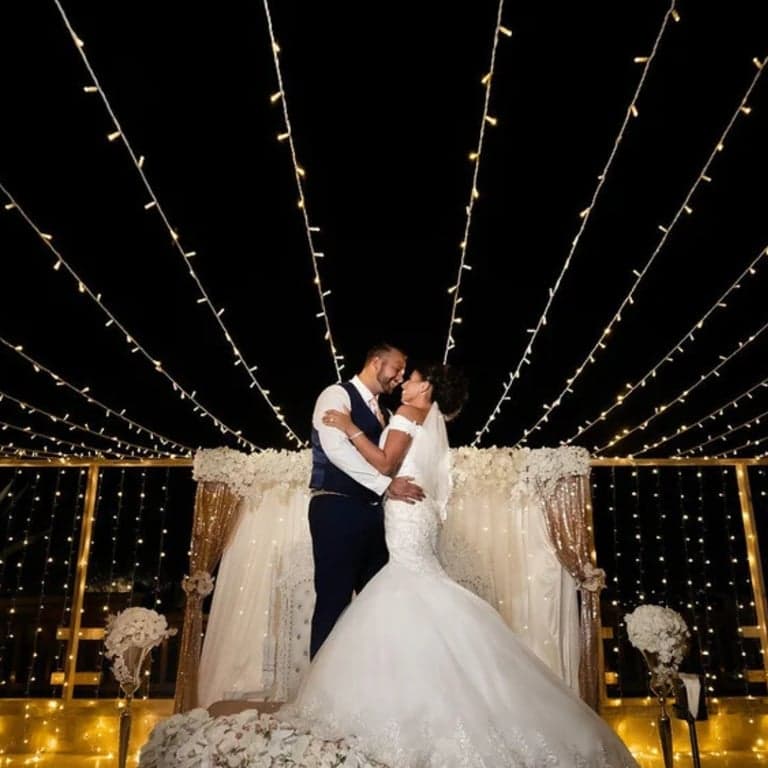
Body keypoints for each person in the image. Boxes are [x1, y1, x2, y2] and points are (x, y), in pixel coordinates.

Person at [278, 362, 641, 768]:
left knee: (406, 589)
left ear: (427, 388)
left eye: (411, 378)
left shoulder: (406, 414)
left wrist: (348, 427)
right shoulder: (429, 420)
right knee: (416, 592)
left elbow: (385, 464)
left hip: (405, 511)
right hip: (420, 512)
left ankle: (415, 698)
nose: (404, 383)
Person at [308, 342, 425, 660]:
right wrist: (385, 485)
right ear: (376, 362)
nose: (399, 377)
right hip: (337, 508)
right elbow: (336, 451)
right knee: (334, 599)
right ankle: (320, 693)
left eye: (403, 371)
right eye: (396, 368)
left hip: (374, 515)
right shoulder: (336, 395)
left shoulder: (385, 412)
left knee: (375, 602)